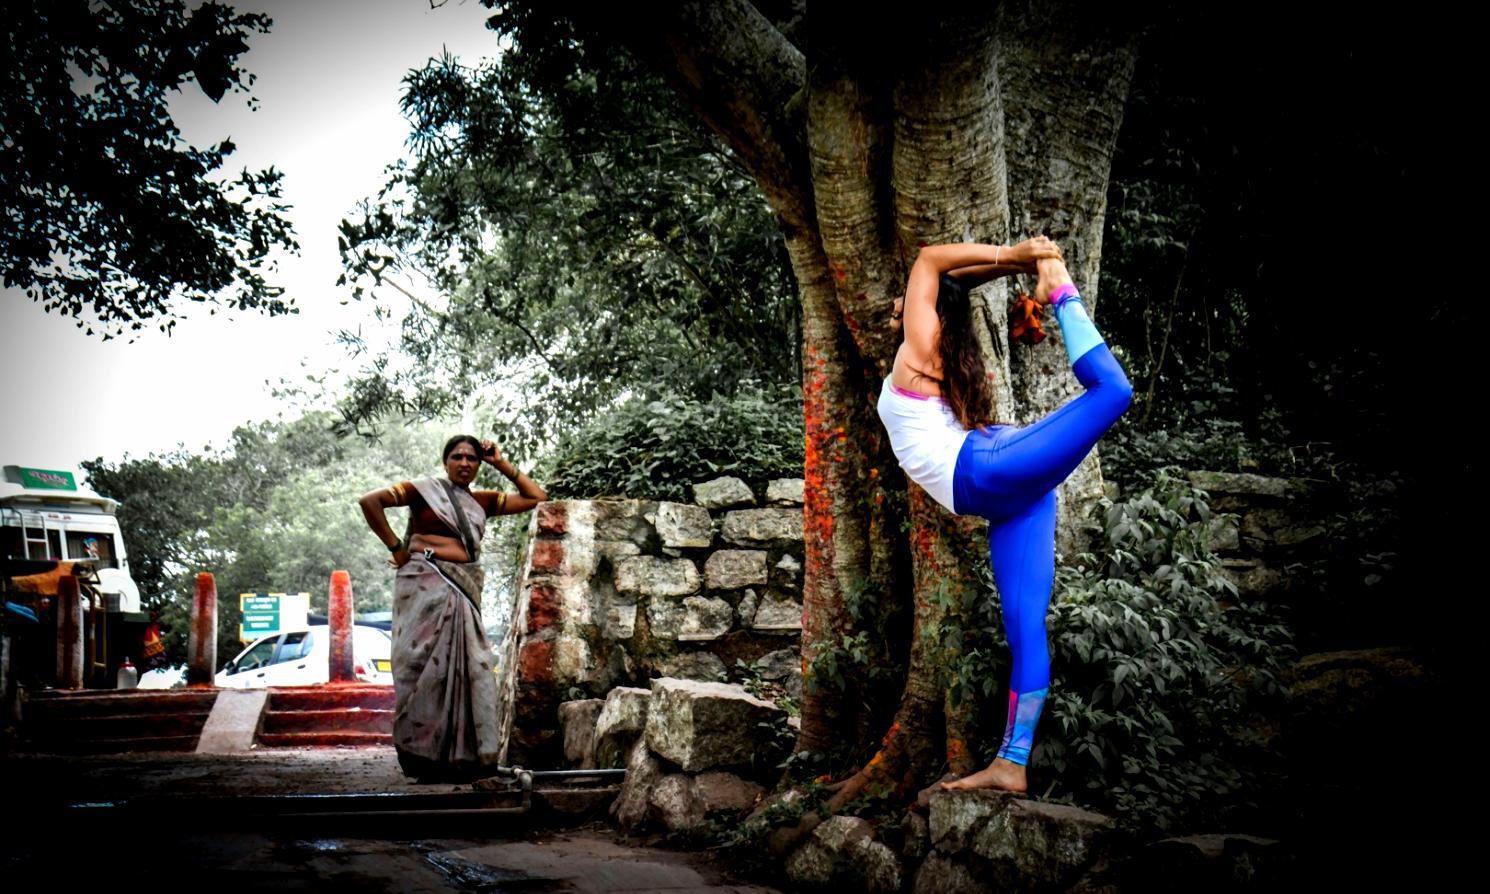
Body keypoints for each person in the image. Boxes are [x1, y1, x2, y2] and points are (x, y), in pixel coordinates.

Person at [878, 238, 1132, 794]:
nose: (899, 303)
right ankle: (1011, 764)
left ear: (926, 308)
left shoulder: (919, 346)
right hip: (1004, 488)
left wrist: (1025, 257)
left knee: (1113, 389)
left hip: (989, 473)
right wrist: (1021, 260)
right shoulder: (930, 344)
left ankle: (1062, 292)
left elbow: (929, 260)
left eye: (906, 297)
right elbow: (947, 279)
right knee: (1024, 628)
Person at [359, 435, 547, 780]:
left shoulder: (483, 501)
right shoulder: (422, 491)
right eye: (457, 457)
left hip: (463, 588)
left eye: (472, 458)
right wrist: (397, 547)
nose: (465, 463)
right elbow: (370, 501)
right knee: (421, 668)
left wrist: (500, 463)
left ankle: (464, 759)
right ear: (445, 461)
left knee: (471, 666)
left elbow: (537, 497)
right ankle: (422, 757)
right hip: (424, 585)